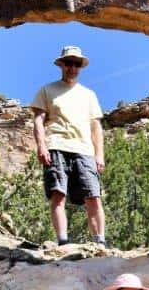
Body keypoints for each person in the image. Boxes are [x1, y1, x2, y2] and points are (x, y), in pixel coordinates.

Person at [31, 45, 106, 246]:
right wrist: (41, 146)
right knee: (58, 194)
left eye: (77, 64)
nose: (72, 67)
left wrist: (100, 155)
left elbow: (96, 127)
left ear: (80, 66)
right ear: (61, 65)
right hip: (56, 145)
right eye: (69, 63)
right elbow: (38, 120)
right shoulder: (47, 90)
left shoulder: (89, 95)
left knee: (93, 196)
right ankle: (63, 241)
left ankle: (100, 241)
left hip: (84, 150)